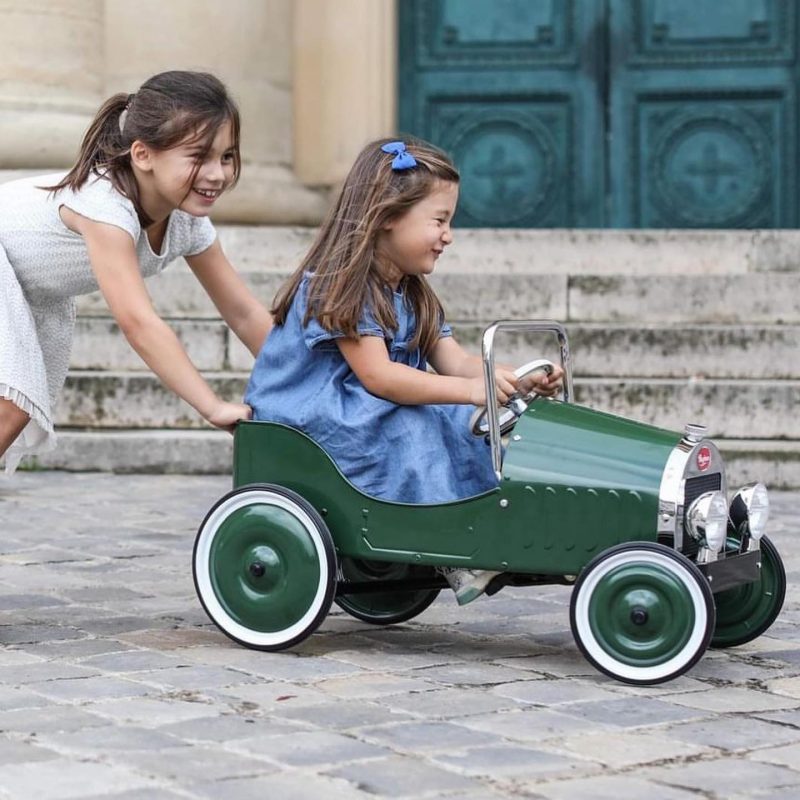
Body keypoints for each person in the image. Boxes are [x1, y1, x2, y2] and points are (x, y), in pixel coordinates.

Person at [245, 137, 563, 605]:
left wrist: (510, 379)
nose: (448, 235)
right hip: (311, 419)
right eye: (439, 220)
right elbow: (380, 378)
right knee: (417, 420)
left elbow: (453, 363)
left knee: (469, 423)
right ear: (388, 216)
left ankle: (485, 521)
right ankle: (458, 549)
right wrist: (469, 391)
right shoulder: (339, 286)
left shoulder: (412, 293)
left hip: (363, 410)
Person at [0, 70, 271, 475]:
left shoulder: (186, 222)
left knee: (14, 407)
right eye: (199, 157)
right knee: (12, 405)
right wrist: (211, 405)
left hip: (30, 292)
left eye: (227, 156)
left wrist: (309, 380)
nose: (217, 174)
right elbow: (138, 322)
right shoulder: (106, 205)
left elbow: (244, 313)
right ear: (143, 155)